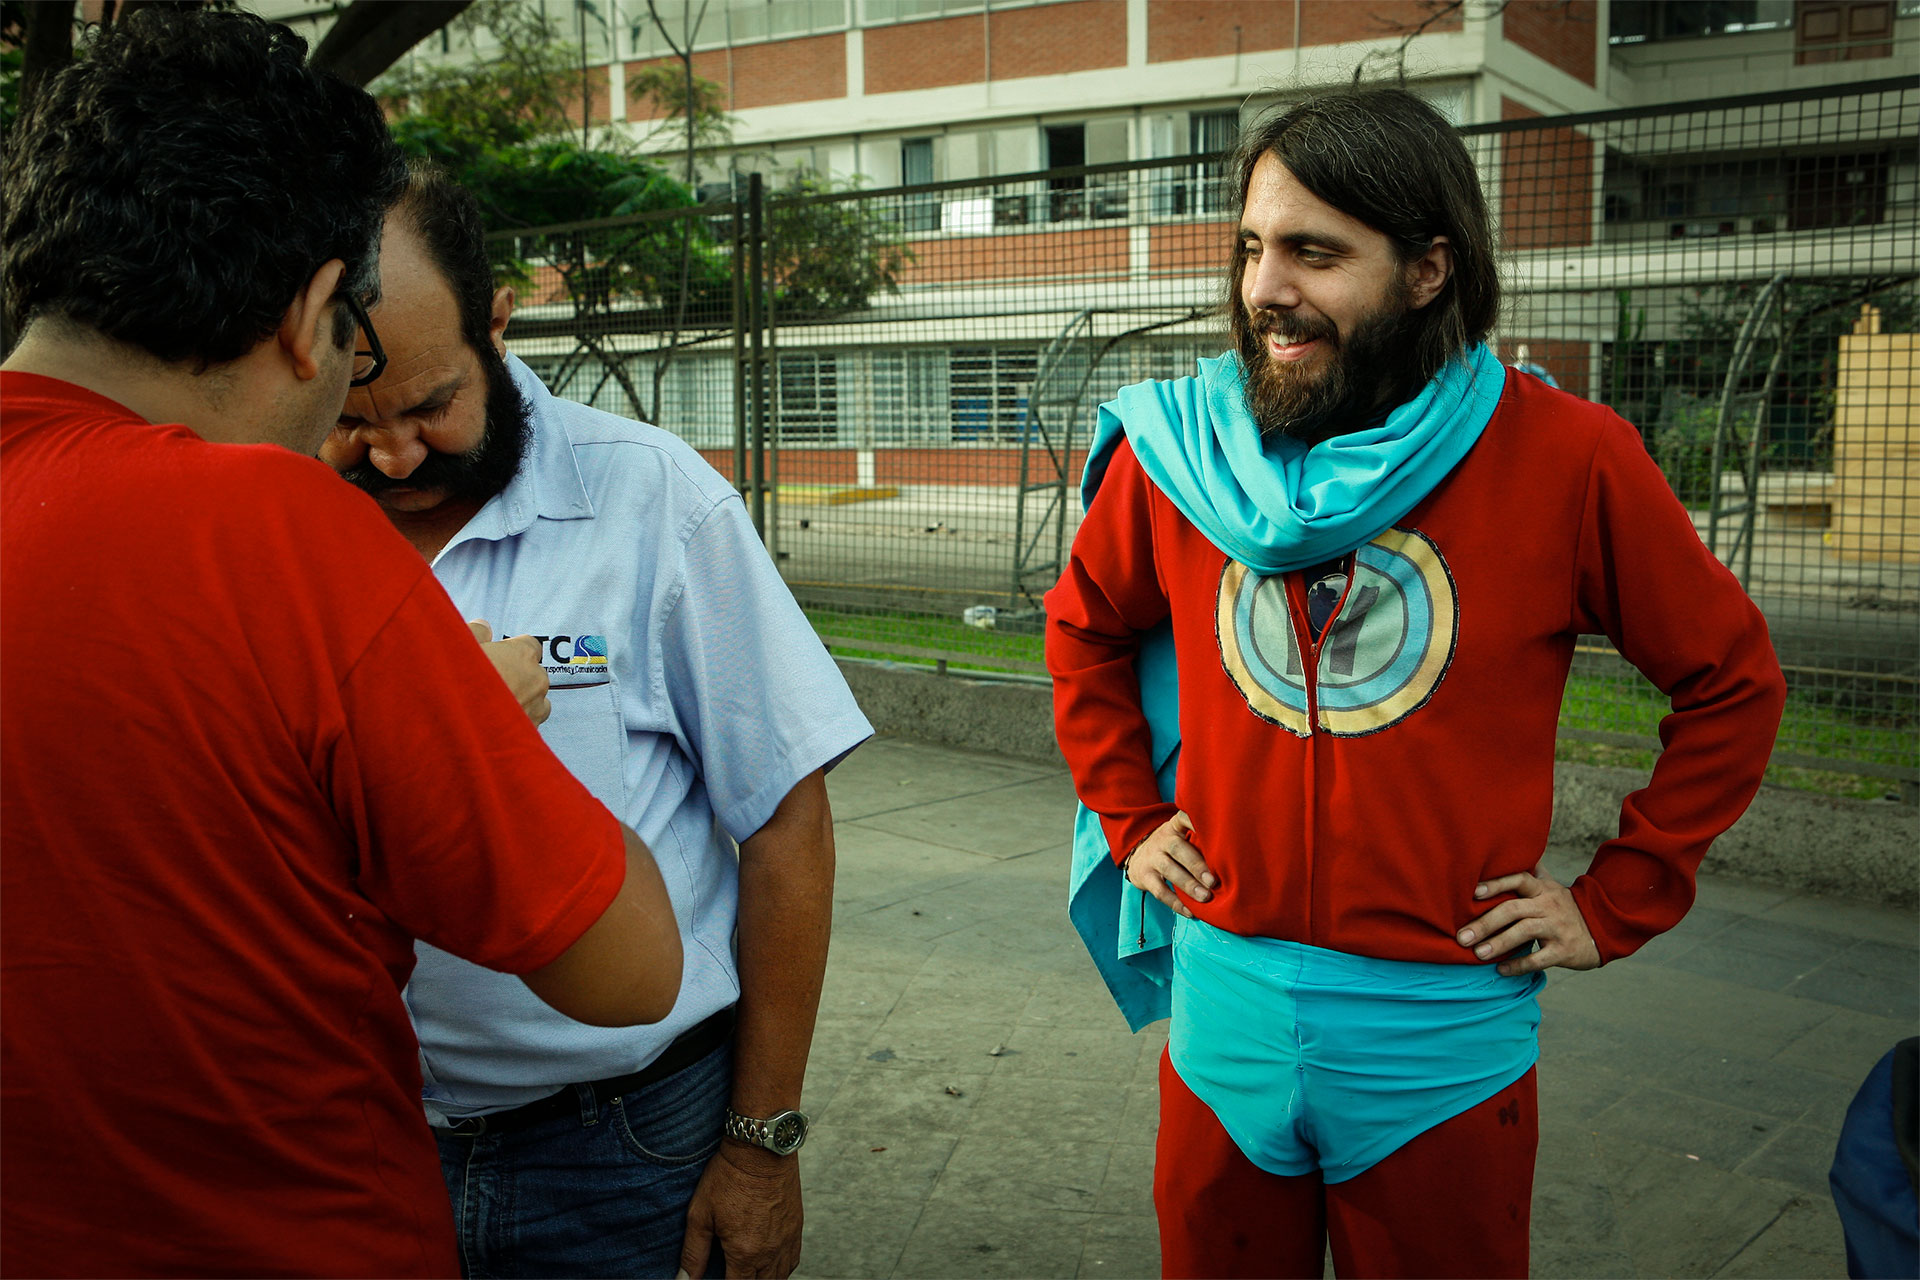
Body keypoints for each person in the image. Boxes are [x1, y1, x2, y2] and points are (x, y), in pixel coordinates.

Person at [1047, 88, 1788, 1279]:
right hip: (1223, 1015)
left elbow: (1732, 679)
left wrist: (1618, 898)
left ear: (1428, 269)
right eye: (1251, 247)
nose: (1264, 288)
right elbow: (1084, 628)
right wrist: (1129, 818)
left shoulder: (1570, 457)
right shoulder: (1183, 452)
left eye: (1314, 252)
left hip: (1441, 1046)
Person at [0, 12, 683, 1277]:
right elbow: (630, 963)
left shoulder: (655, 487)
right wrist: (468, 715)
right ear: (316, 314)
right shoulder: (269, 531)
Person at [319, 165, 872, 1280]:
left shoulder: (652, 497)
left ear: (500, 321)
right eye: (350, 421)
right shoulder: (285, 521)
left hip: (623, 1148)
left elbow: (783, 824)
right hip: (359, 1139)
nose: (394, 456)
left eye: (432, 404)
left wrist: (763, 1143)